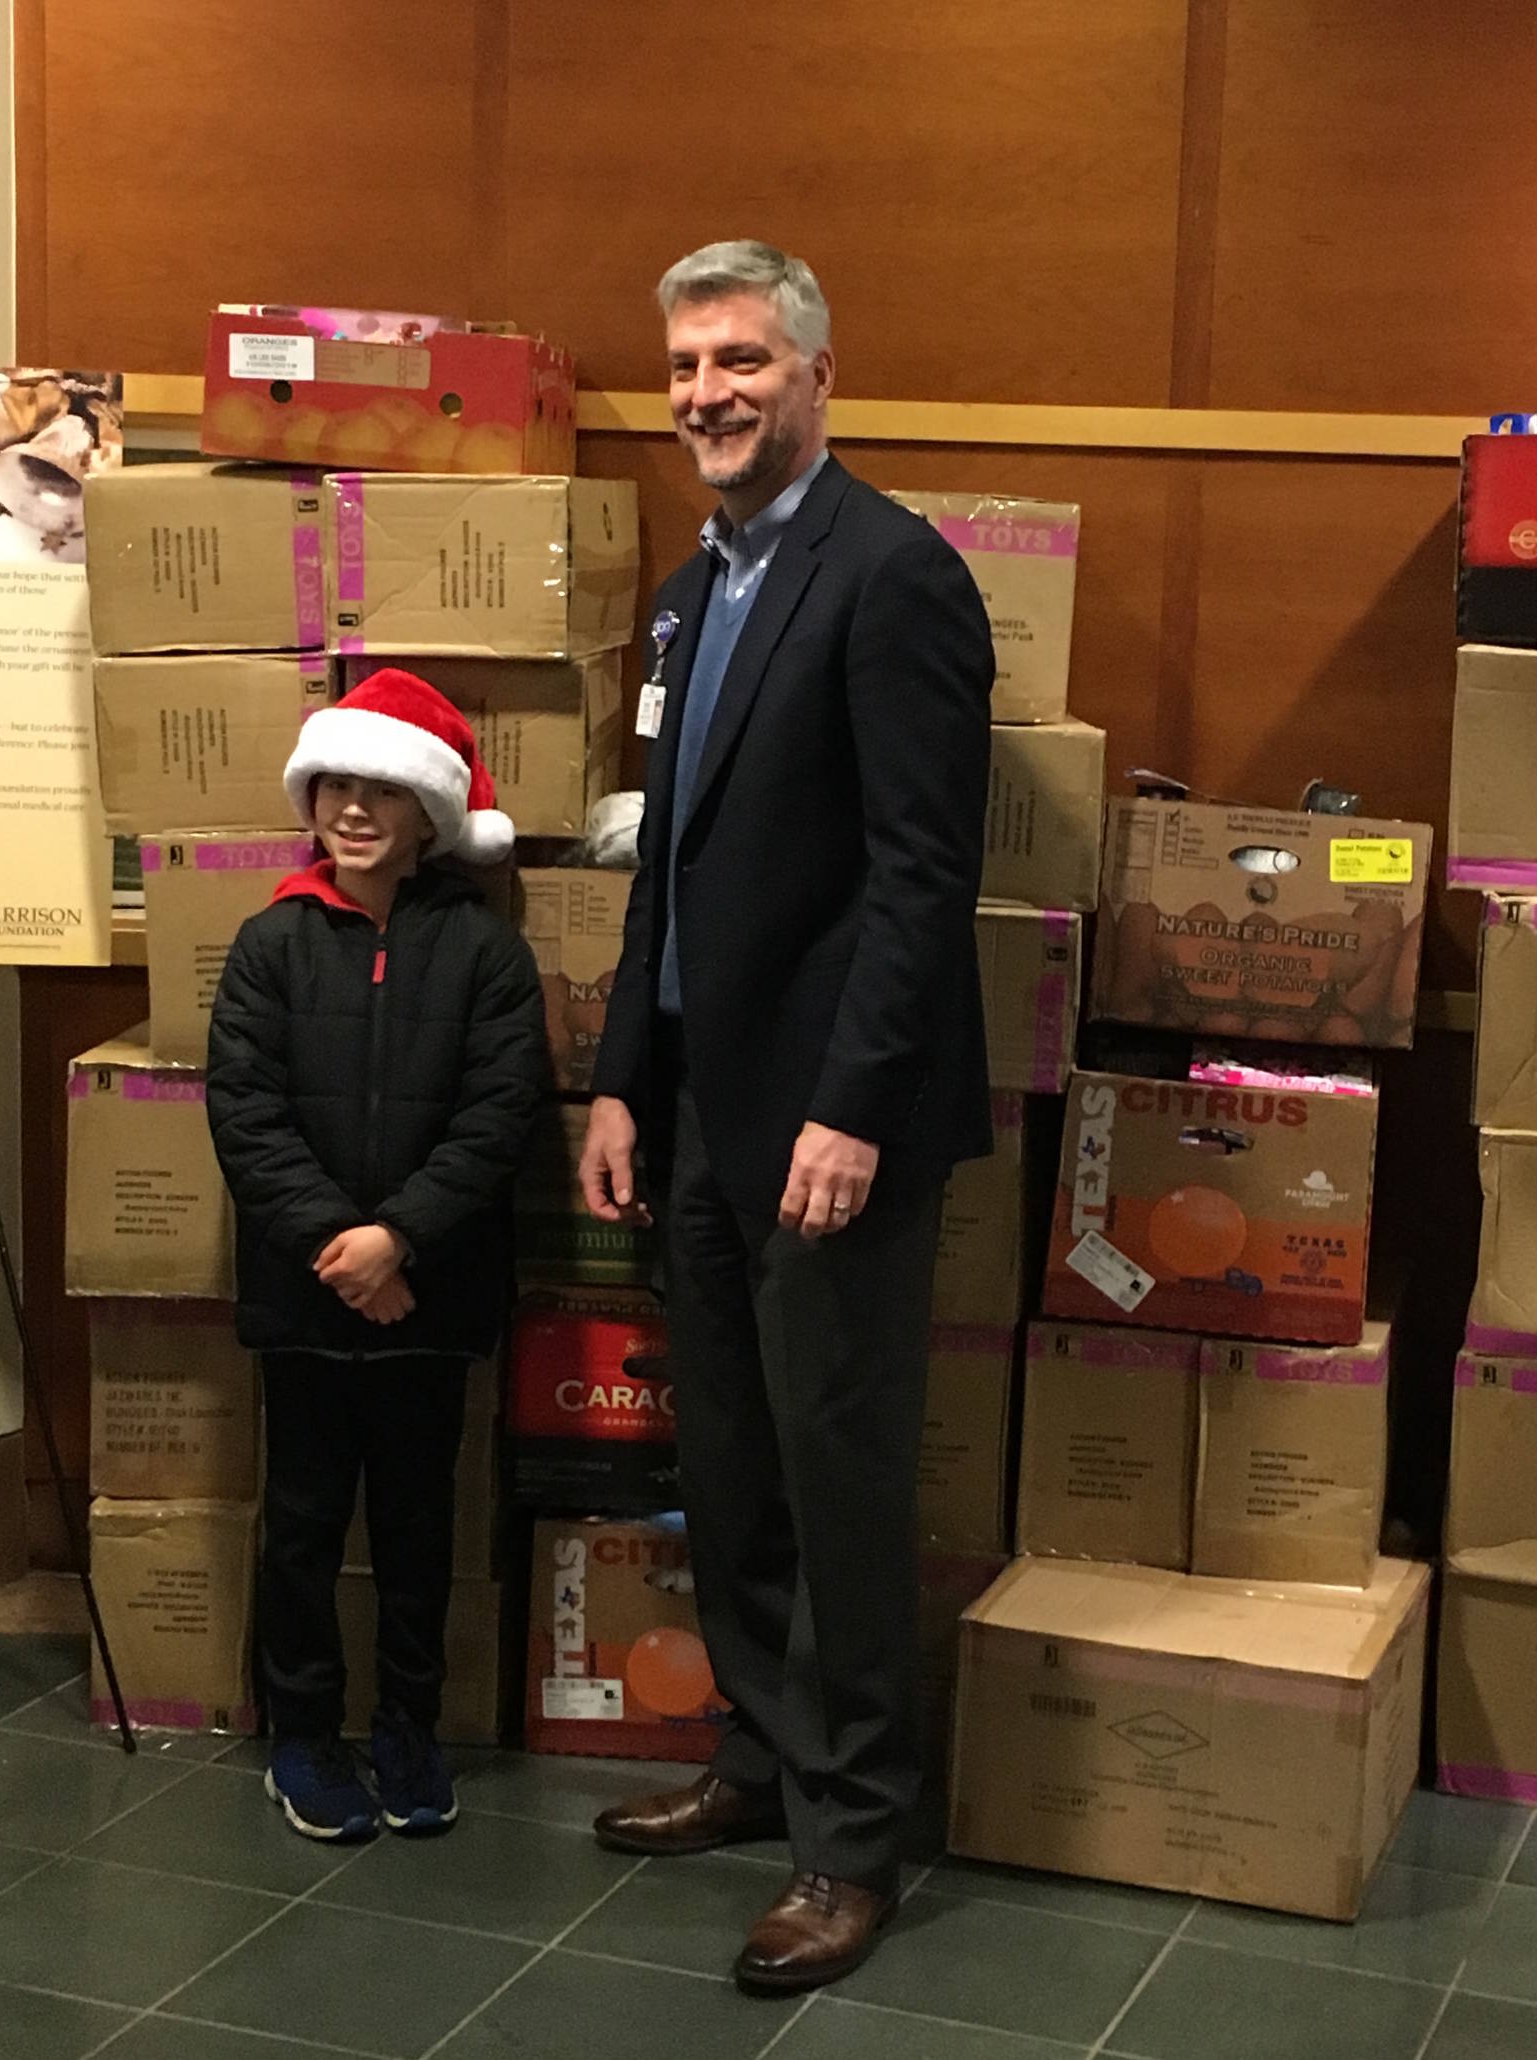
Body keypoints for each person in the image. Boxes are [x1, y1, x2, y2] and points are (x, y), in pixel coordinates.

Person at [583, 240, 995, 1994]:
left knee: (835, 1488)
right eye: (684, 367)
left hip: (834, 1137)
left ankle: (852, 1838)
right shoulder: (694, 591)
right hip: (694, 1112)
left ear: (817, 371)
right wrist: (616, 1073)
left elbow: (922, 879)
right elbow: (657, 872)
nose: (705, 396)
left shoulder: (891, 577)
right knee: (729, 1473)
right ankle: (758, 1763)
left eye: (739, 359)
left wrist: (852, 1106)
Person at [207, 668, 548, 1843]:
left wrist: (398, 1236)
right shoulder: (268, 945)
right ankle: (301, 1731)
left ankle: (410, 1722)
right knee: (301, 1525)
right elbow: (244, 1114)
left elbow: (499, 1114)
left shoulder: (485, 955)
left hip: (429, 1296)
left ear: (427, 815)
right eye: (335, 785)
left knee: (415, 1528)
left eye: (381, 790)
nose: (353, 810)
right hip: (303, 1300)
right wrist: (336, 1245)